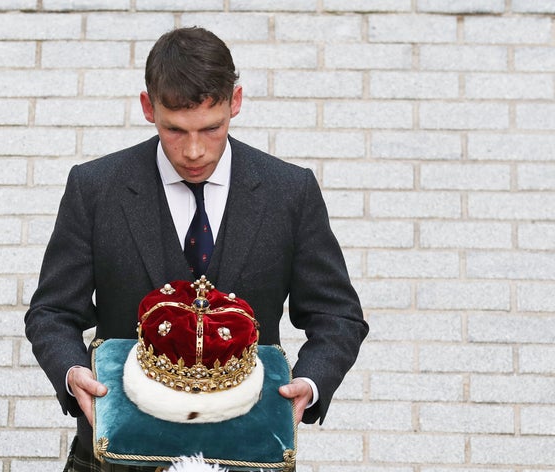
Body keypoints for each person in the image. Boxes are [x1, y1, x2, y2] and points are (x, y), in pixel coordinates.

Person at [25, 26, 368, 472]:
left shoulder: (291, 191)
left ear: (236, 102)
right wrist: (73, 375)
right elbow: (50, 312)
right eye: (175, 130)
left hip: (250, 451)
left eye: (211, 128)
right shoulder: (94, 189)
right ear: (148, 108)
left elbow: (338, 315)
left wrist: (310, 381)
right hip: (119, 454)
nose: (193, 151)